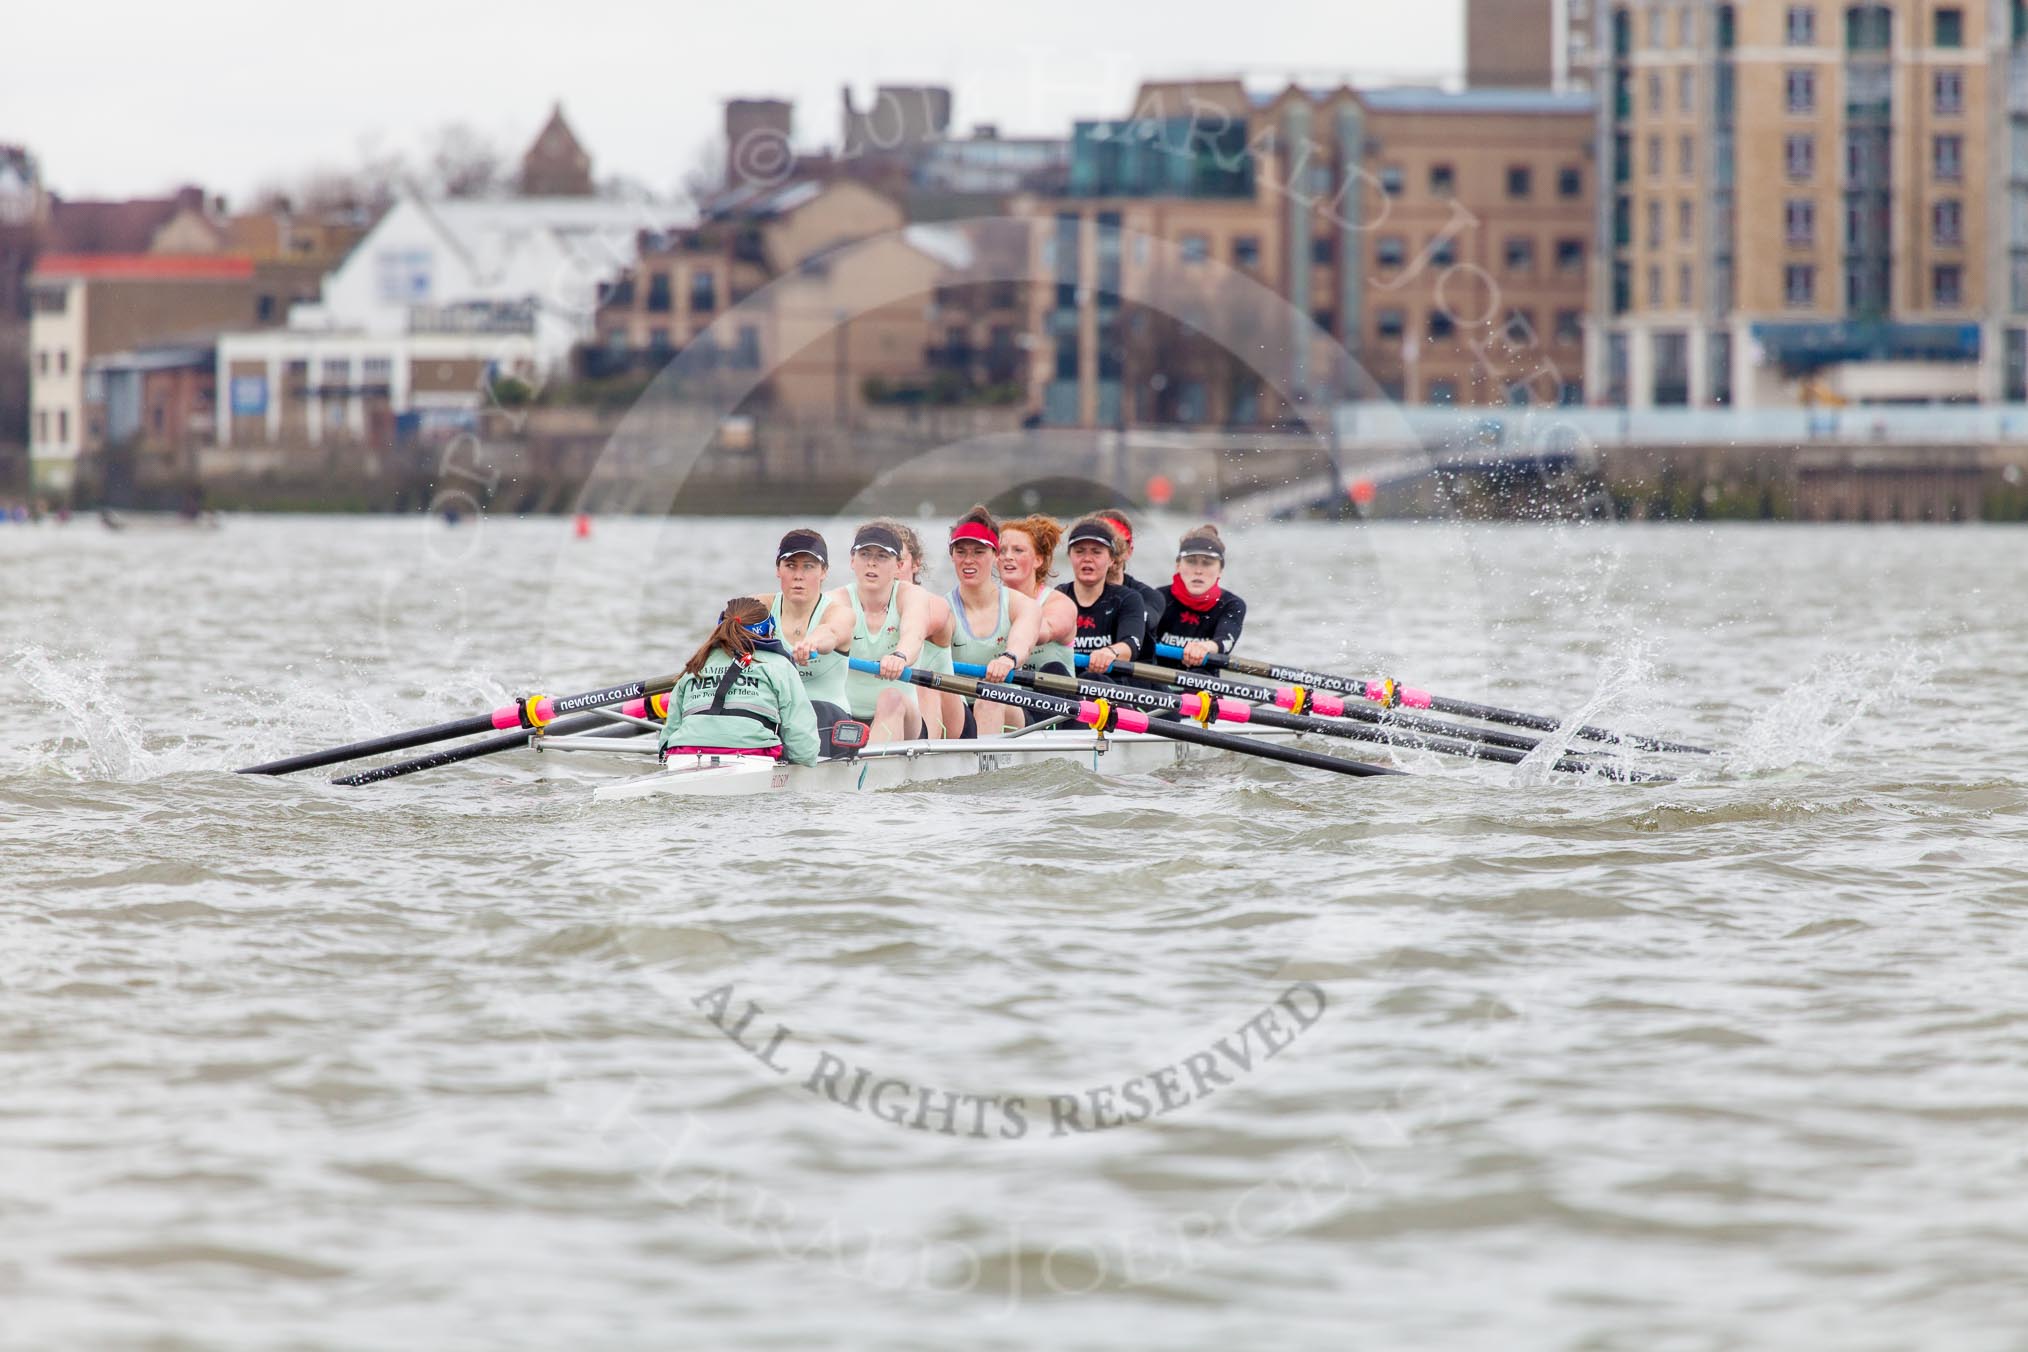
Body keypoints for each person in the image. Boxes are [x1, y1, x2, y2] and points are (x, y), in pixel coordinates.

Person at [659, 597, 820, 766]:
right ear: (770, 629)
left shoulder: (696, 664)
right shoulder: (779, 666)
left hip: (683, 754)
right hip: (752, 757)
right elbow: (804, 749)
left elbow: (667, 737)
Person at [935, 505, 1040, 737]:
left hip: (1008, 706)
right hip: (959, 711)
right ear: (952, 555)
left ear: (996, 556)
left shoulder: (1020, 604)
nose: (968, 560)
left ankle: (982, 771)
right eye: (961, 552)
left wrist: (1009, 658)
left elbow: (1023, 642)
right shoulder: (942, 609)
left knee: (990, 696)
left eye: (978, 552)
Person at [758, 528, 856, 754]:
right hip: (776, 716)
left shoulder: (840, 613)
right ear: (778, 570)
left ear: (824, 572)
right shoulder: (759, 607)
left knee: (811, 712)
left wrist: (811, 643)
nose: (798, 576)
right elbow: (725, 632)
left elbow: (831, 632)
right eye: (791, 566)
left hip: (829, 718)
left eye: (808, 567)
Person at [836, 521, 932, 744]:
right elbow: (827, 630)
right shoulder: (836, 600)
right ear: (852, 561)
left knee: (891, 697)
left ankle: (878, 775)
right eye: (865, 554)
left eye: (882, 556)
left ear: (899, 565)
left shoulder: (913, 596)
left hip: (904, 718)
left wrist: (900, 656)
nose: (871, 562)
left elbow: (914, 633)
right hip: (845, 716)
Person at [883, 519, 958, 739]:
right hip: (897, 706)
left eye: (899, 560)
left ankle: (927, 759)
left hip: (947, 713)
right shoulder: (858, 607)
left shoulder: (933, 604)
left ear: (916, 564)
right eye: (882, 558)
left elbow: (915, 630)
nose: (890, 567)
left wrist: (900, 655)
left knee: (919, 680)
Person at [1057, 515, 1147, 679]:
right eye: (1079, 551)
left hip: (1108, 688)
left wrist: (1110, 652)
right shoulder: (1058, 597)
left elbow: (1131, 645)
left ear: (1112, 559)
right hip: (1066, 685)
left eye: (1096, 552)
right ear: (1070, 556)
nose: (1087, 559)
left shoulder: (1128, 599)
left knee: (1092, 677)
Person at [1149, 524, 1247, 668]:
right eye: (1191, 561)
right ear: (1178, 566)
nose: (1198, 571)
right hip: (1156, 680)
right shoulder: (1158, 597)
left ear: (1220, 570)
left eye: (1207, 563)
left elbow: (1225, 641)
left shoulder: (1231, 604)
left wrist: (1205, 647)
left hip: (1204, 683)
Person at [999, 515, 1078, 677]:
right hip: (1008, 699)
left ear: (1038, 560)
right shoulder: (988, 601)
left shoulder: (1060, 604)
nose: (1008, 556)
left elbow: (1044, 630)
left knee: (1053, 669)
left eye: (1018, 550)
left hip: (1054, 694)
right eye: (1002, 550)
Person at [1097, 509, 1169, 633]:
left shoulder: (1150, 597)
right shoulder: (1066, 595)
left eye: (1117, 545)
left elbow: (1143, 621)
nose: (1112, 552)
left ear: (1129, 551)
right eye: (1101, 547)